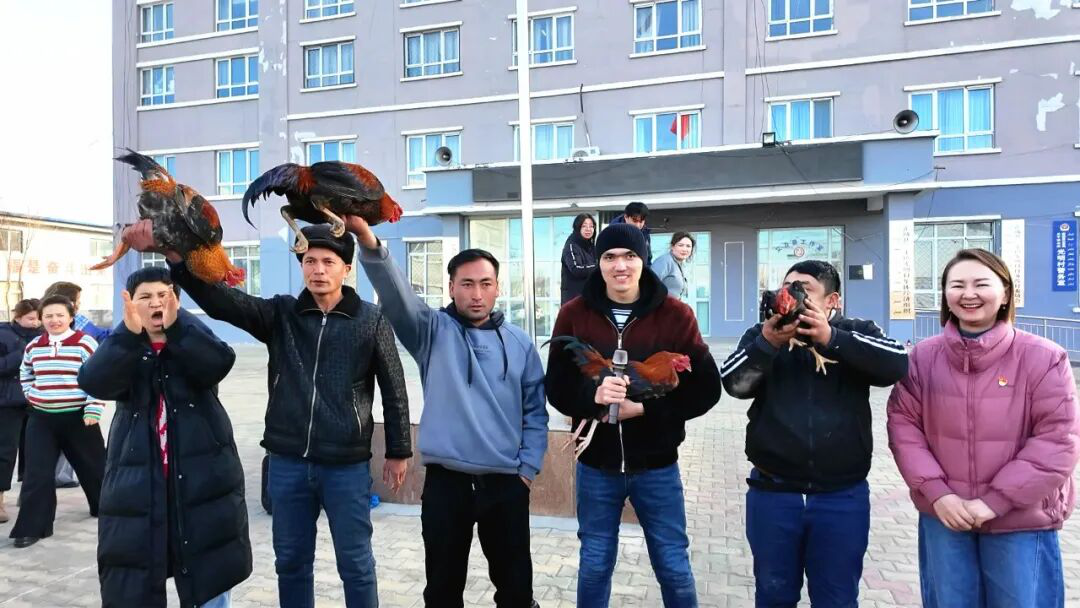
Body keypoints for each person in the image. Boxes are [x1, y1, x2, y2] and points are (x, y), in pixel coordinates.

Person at [123, 219, 411, 608]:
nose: (318, 270)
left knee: (356, 563)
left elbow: (394, 388)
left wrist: (398, 450)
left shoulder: (370, 320)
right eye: (310, 261)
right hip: (287, 461)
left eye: (328, 262)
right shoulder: (281, 314)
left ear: (346, 268)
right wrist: (176, 258)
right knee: (291, 562)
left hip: (345, 464)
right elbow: (221, 301)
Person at [352, 216, 549, 608]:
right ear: (451, 288)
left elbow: (535, 412)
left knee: (516, 592)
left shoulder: (520, 343)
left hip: (506, 484)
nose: (477, 294)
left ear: (498, 288)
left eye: (486, 284)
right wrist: (367, 239)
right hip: (447, 486)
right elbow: (397, 294)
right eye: (467, 284)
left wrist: (526, 471)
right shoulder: (431, 332)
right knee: (442, 591)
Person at [887, 249, 1080, 608]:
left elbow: (1058, 441)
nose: (968, 294)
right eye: (957, 285)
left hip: (1021, 519)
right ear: (945, 294)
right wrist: (938, 494)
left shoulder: (1044, 357)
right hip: (945, 516)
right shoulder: (921, 359)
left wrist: (996, 501)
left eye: (981, 284)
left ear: (1005, 293)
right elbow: (904, 429)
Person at [545, 223, 722, 607]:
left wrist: (645, 408)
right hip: (596, 466)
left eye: (629, 256)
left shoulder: (676, 315)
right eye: (610, 257)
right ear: (599, 262)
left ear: (643, 260)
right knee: (594, 564)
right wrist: (593, 397)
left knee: (673, 564)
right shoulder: (574, 314)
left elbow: (707, 388)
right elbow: (555, 384)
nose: (620, 265)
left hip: (657, 466)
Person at [721, 260, 908, 607]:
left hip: (841, 497)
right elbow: (734, 383)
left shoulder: (855, 330)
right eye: (787, 286)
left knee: (837, 598)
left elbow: (897, 363)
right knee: (773, 594)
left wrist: (831, 338)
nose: (791, 295)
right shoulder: (762, 333)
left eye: (804, 289)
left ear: (832, 300)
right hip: (773, 493)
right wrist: (768, 343)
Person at [78, 267, 250, 608]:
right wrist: (127, 336)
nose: (156, 303)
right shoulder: (125, 345)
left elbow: (218, 363)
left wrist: (180, 325)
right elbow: (93, 381)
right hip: (138, 482)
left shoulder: (192, 338)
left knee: (209, 573)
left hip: (202, 480)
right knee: (135, 578)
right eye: (145, 297)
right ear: (131, 304)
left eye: (164, 295)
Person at [9, 295, 106, 548]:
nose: (54, 320)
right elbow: (25, 373)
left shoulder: (85, 343)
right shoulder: (35, 346)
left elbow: (99, 377)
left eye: (60, 315)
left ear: (71, 317)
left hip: (80, 418)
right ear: (41, 319)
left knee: (94, 468)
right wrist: (31, 395)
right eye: (48, 316)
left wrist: (93, 408)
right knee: (37, 473)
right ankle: (32, 527)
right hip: (42, 418)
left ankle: (105, 507)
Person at [43, 281, 107, 488]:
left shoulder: (81, 330)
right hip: (61, 402)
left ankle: (62, 477)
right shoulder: (73, 327)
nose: (79, 305)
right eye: (77, 300)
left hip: (75, 399)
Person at [0, 299, 40, 521]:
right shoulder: (3, 333)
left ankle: (28, 496)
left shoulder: (46, 336)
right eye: (30, 318)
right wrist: (24, 353)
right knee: (5, 453)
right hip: (8, 403)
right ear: (18, 317)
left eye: (38, 318)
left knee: (35, 452)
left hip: (37, 401)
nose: (36, 323)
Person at [560, 213, 597, 305]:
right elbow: (576, 269)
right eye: (584, 226)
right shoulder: (571, 245)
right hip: (573, 299)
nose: (588, 229)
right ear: (577, 227)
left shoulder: (591, 247)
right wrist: (598, 266)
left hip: (588, 297)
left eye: (591, 226)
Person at [651, 232, 695, 300]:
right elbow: (649, 284)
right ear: (672, 246)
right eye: (680, 245)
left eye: (688, 246)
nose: (684, 249)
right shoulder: (664, 261)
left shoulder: (679, 264)